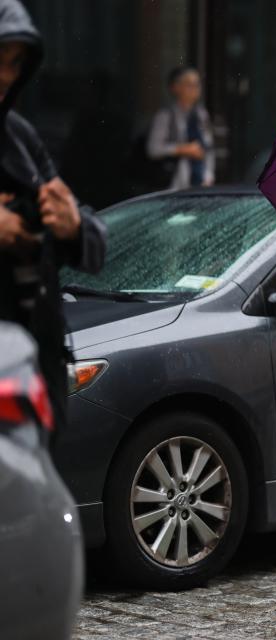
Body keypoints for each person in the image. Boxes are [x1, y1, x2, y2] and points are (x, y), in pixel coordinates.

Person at [0, 0, 106, 433]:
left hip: (31, 369)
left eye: (14, 64)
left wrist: (74, 227)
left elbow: (93, 243)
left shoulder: (19, 136)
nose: (6, 77)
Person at [146, 66, 215, 190]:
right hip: (174, 185)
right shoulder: (166, 115)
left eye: (197, 84)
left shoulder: (201, 114)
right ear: (175, 87)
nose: (195, 88)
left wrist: (208, 176)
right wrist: (183, 149)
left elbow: (208, 148)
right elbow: (154, 149)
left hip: (200, 183)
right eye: (189, 84)